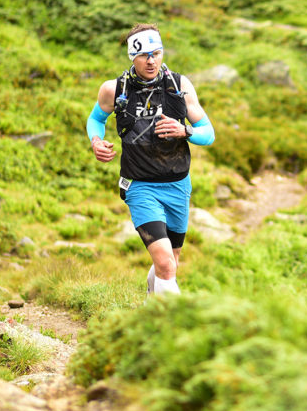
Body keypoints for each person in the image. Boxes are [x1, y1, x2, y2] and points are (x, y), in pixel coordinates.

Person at [86, 24, 215, 295]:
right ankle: (168, 327)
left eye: (156, 53)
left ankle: (151, 302)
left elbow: (209, 134)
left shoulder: (179, 85)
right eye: (144, 55)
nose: (151, 61)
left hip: (178, 185)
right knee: (166, 264)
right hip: (140, 186)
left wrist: (185, 131)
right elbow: (96, 119)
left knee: (171, 260)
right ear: (132, 57)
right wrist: (96, 142)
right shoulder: (114, 89)